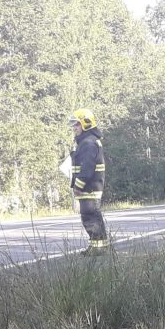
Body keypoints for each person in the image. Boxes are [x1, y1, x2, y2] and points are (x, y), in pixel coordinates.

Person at [68, 108, 109, 255]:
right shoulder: (88, 142)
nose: (74, 128)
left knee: (90, 217)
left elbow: (87, 167)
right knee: (92, 216)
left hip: (89, 187)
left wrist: (78, 185)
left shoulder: (88, 143)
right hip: (91, 186)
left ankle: (98, 249)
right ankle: (98, 246)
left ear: (85, 124)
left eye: (77, 125)